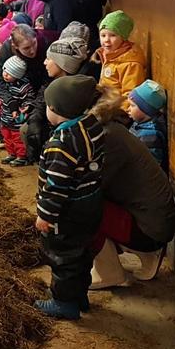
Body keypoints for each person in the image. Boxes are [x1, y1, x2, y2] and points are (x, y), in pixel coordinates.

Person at [33, 75, 114, 319]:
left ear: (55, 109)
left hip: (68, 211)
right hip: (91, 202)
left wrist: (45, 215)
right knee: (82, 253)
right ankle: (78, 296)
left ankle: (64, 303)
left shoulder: (61, 144)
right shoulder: (91, 126)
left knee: (63, 257)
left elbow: (56, 185)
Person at [90, 100, 175, 289]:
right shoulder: (112, 129)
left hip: (150, 229)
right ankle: (146, 255)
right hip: (152, 224)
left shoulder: (107, 137)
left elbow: (92, 185)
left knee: (81, 207)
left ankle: (109, 272)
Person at [20, 22, 91, 163]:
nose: (44, 63)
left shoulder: (80, 86)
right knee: (27, 129)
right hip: (53, 125)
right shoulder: (53, 76)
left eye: (49, 59)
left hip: (66, 134)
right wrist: (35, 119)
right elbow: (43, 97)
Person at [92, 10, 146, 108]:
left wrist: (119, 113)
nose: (106, 40)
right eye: (103, 35)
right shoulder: (108, 55)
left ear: (123, 37)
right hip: (104, 105)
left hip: (116, 110)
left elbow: (130, 95)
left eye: (113, 35)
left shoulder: (131, 64)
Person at [0, 56, 36, 167]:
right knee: (7, 138)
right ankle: (12, 154)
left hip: (16, 120)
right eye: (5, 71)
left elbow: (29, 99)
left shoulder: (23, 87)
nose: (5, 75)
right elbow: (3, 95)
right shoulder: (5, 84)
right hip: (5, 118)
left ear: (18, 75)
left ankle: (21, 156)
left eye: (10, 73)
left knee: (17, 138)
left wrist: (26, 107)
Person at [127, 79, 168, 170]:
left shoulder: (150, 135)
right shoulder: (140, 123)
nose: (128, 109)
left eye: (132, 105)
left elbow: (151, 166)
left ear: (146, 109)